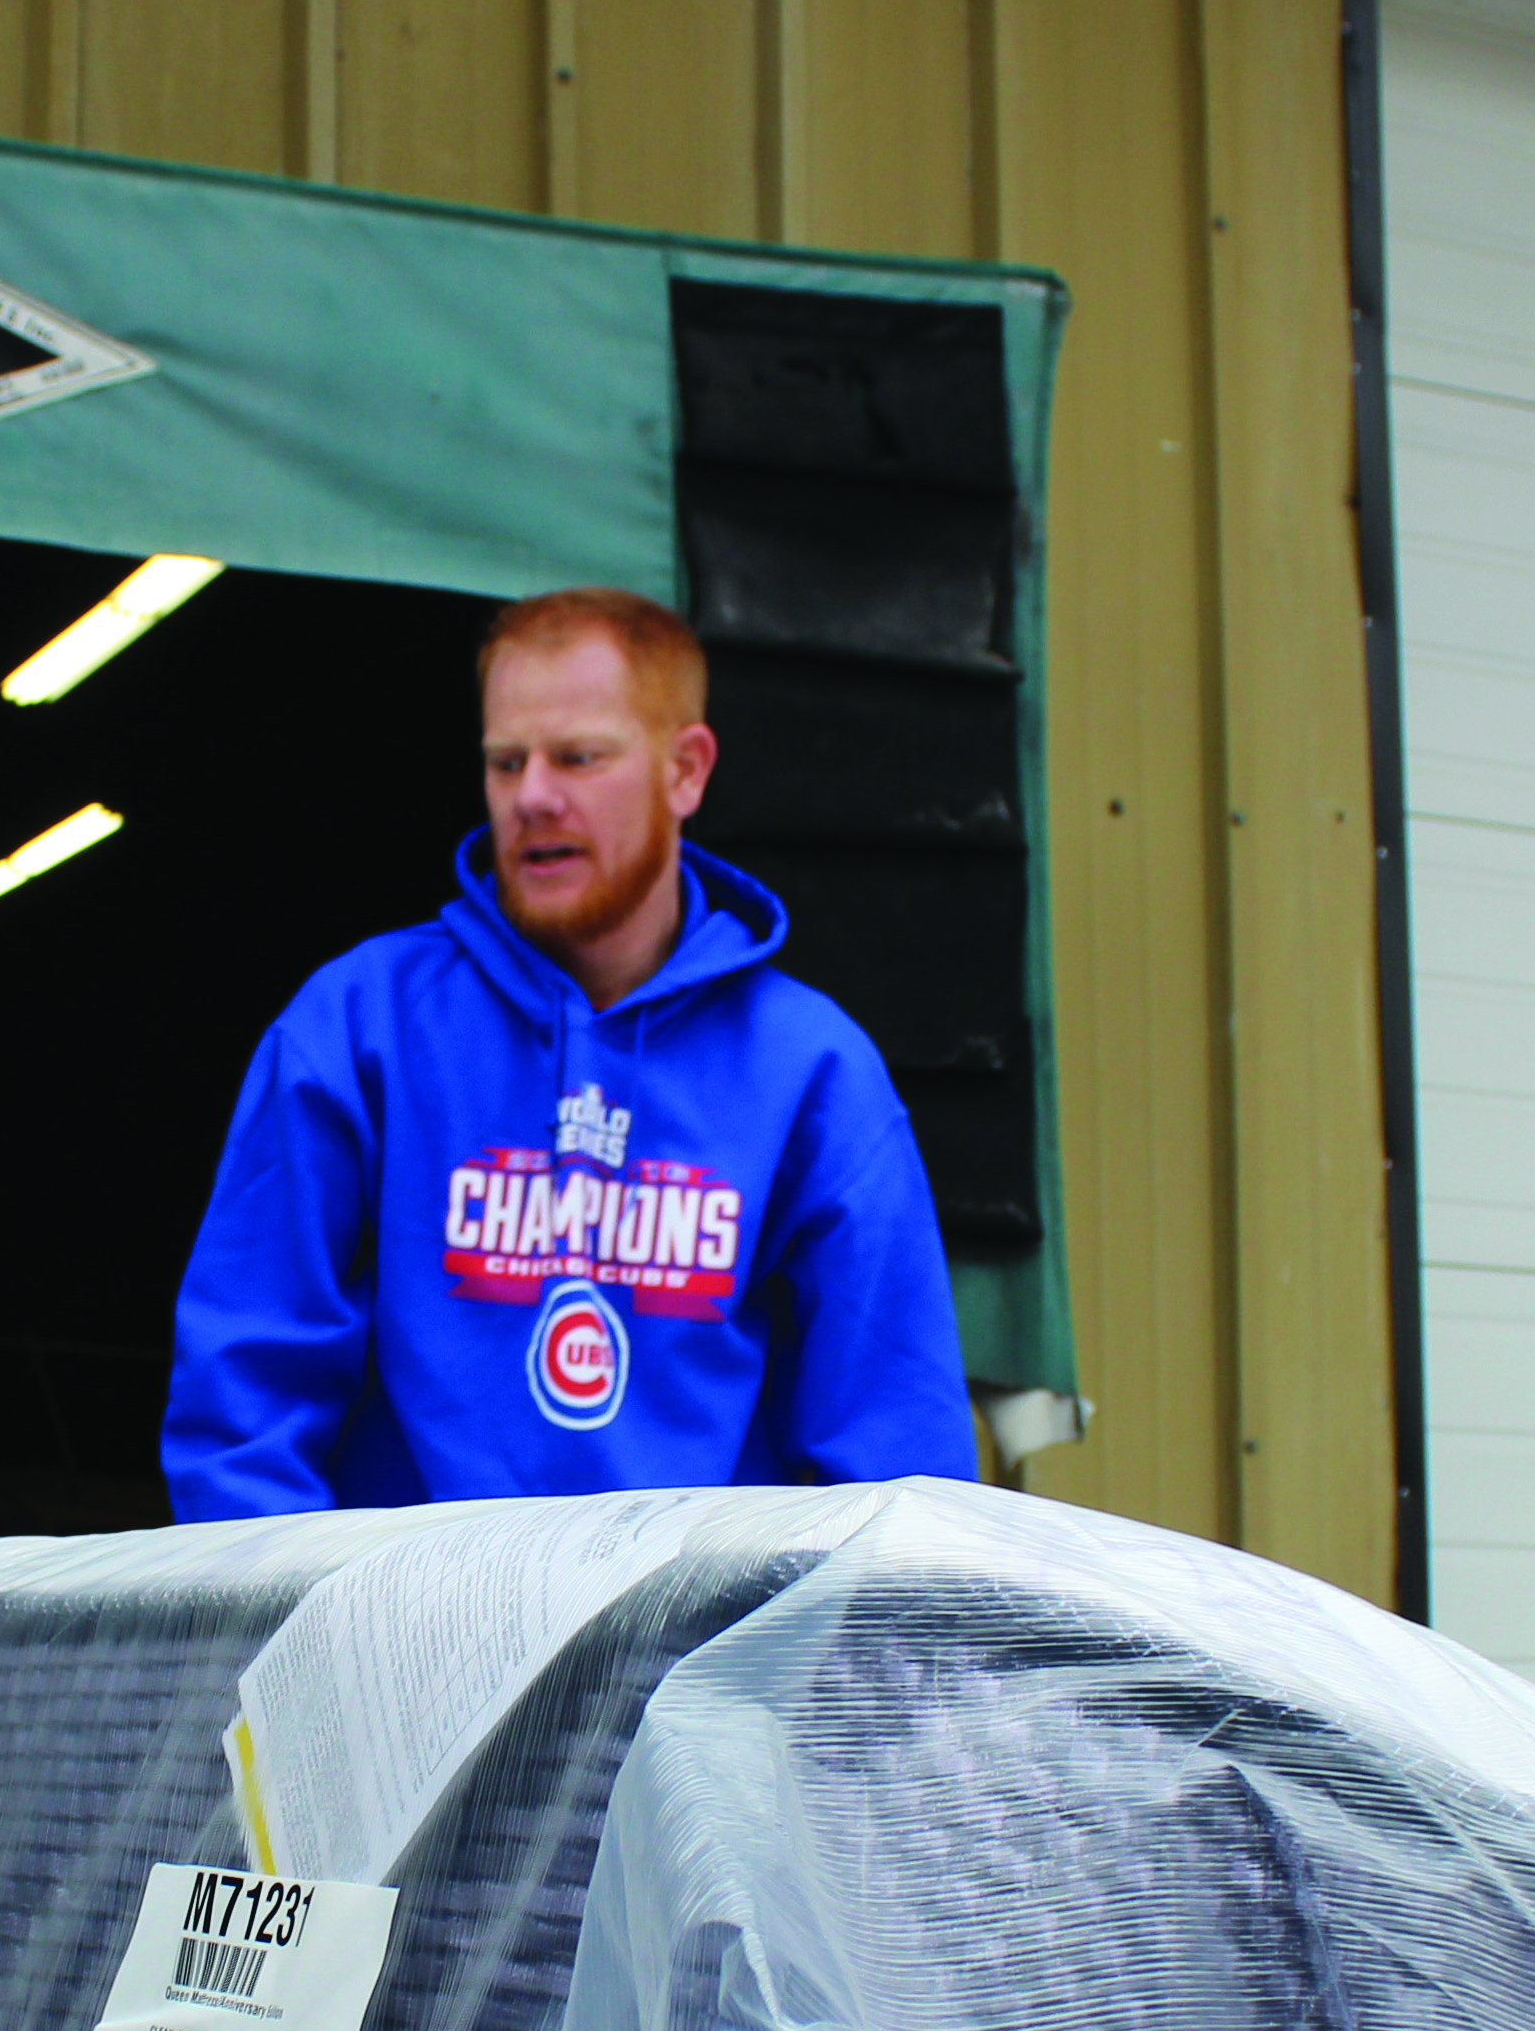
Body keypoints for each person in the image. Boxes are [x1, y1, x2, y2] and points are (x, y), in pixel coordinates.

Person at [161, 588, 971, 1516]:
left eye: (578, 758)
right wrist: (321, 1652)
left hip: (694, 1658)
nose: (533, 797)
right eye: (506, 763)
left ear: (686, 770)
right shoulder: (355, 1027)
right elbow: (241, 1416)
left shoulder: (812, 1072)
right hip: (401, 1651)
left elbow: (900, 1472)